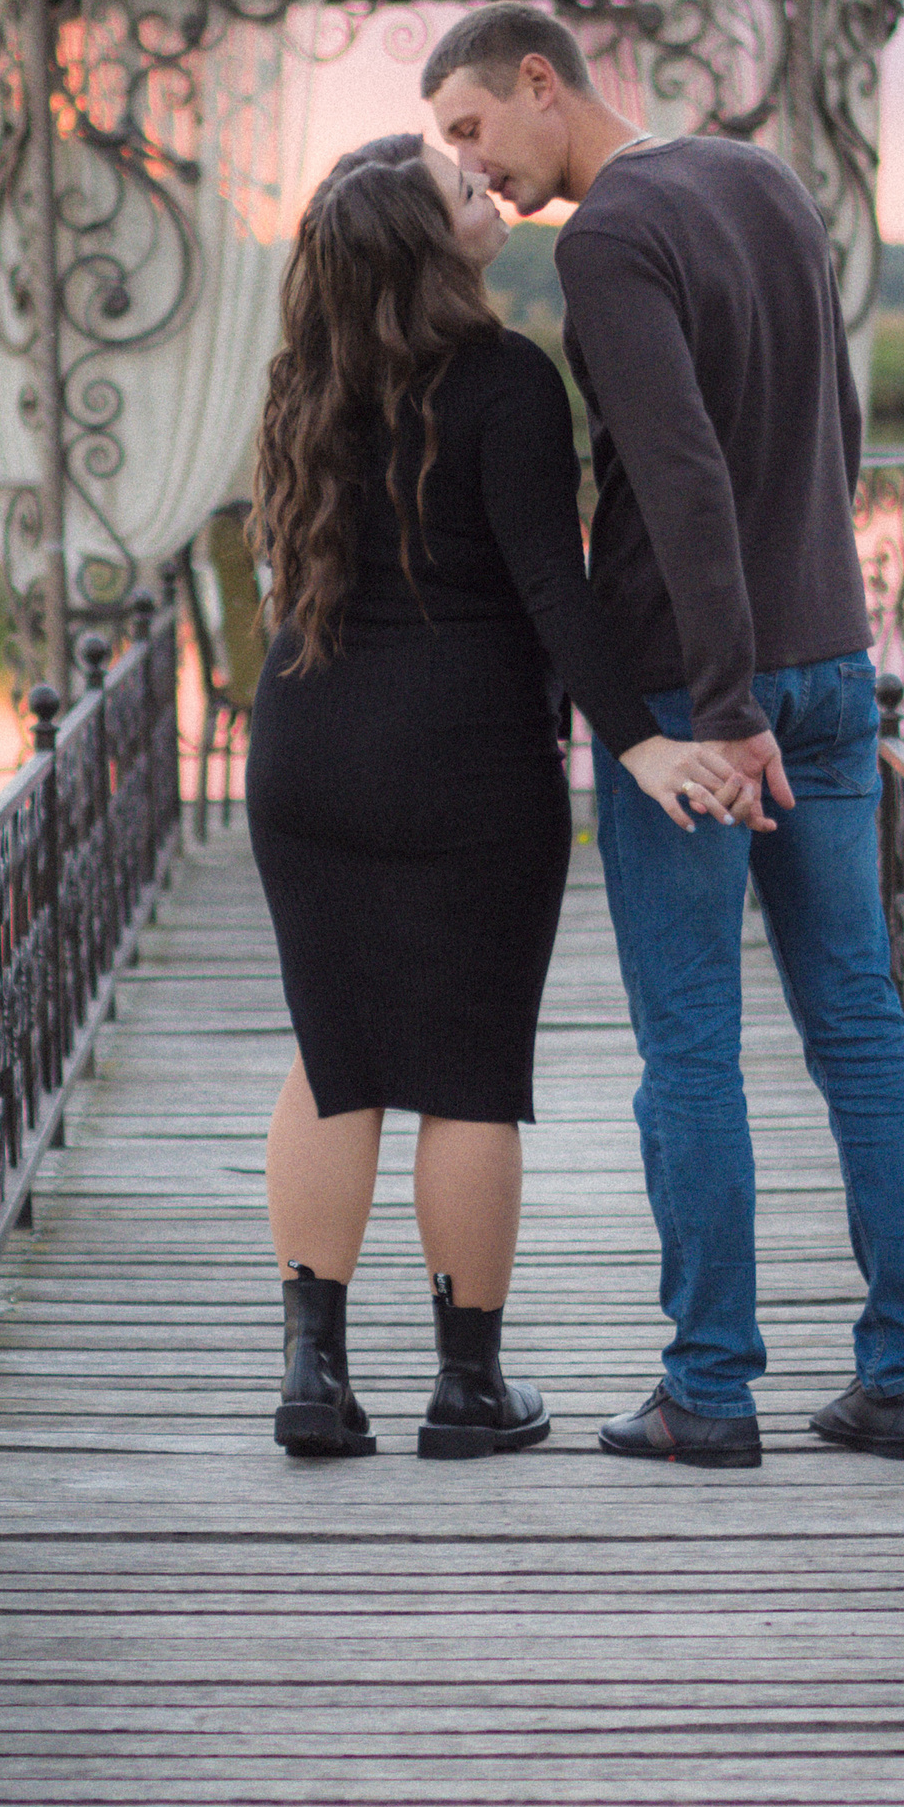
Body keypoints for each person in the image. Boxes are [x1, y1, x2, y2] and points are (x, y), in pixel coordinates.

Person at [424, 6, 904, 1466]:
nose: (477, 166)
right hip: (831, 662)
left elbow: (678, 477)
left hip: (692, 697)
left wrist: (721, 710)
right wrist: (805, 630)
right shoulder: (764, 179)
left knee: (692, 1050)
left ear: (544, 81)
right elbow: (836, 420)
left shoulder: (605, 241)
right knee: (860, 1022)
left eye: (474, 127)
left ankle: (709, 1391)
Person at [244, 133, 743, 1462]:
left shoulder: (305, 380)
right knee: (467, 1072)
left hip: (305, 748)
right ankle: (467, 1392)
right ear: (428, 244)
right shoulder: (512, 382)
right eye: (459, 186)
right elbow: (552, 588)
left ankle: (314, 1380)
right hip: (468, 761)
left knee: (334, 1055)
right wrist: (633, 742)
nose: (485, 183)